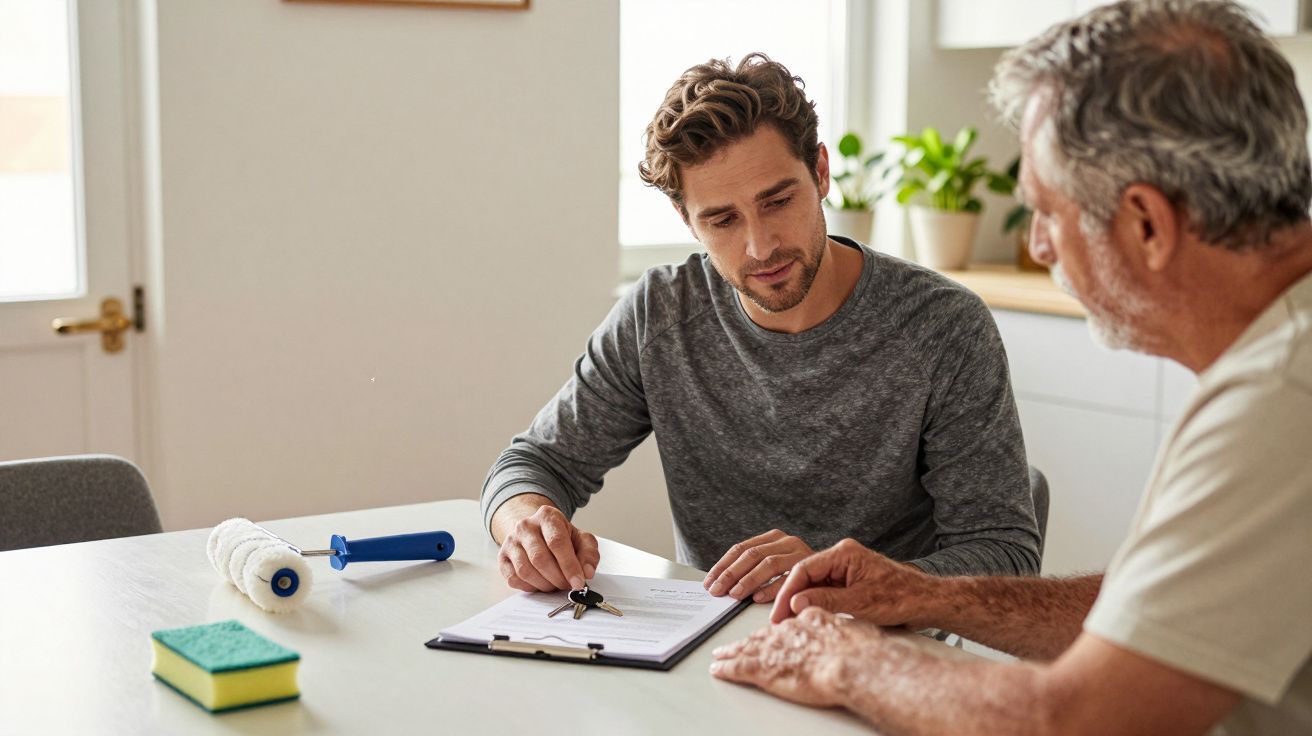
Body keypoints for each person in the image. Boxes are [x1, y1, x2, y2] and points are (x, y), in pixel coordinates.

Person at [709, 2, 1312, 734]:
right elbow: (1155, 611)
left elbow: (1074, 718)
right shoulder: (1279, 356)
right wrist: (923, 596)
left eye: (1048, 213)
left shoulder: (1280, 397)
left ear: (1147, 224)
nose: (1040, 245)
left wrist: (845, 662)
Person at [480, 53, 1040, 603]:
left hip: (887, 653)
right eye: (722, 220)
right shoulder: (661, 314)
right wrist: (531, 526)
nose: (760, 245)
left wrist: (839, 582)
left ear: (820, 172)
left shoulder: (943, 327)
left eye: (777, 200)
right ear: (686, 220)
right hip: (712, 650)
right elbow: (534, 464)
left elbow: (1005, 556)